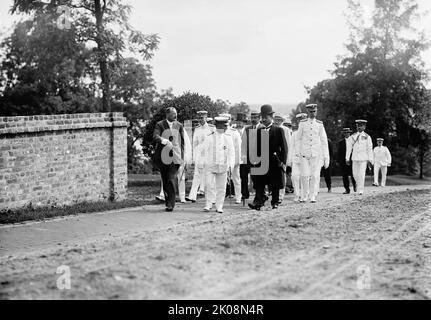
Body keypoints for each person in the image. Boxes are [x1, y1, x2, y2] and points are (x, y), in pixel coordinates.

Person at [248, 105, 288, 210]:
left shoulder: (278, 130)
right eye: (263, 117)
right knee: (259, 183)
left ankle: (275, 202)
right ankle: (259, 202)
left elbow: (284, 147)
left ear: (271, 117)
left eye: (266, 117)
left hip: (274, 161)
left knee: (274, 183)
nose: (264, 119)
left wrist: (283, 161)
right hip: (262, 161)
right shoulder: (258, 131)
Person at [153, 107, 185, 212]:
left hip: (175, 158)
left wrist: (182, 157)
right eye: (173, 114)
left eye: (176, 114)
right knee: (165, 180)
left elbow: (182, 142)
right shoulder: (160, 124)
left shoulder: (179, 125)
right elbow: (155, 136)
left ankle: (171, 203)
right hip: (163, 157)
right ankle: (168, 202)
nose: (175, 116)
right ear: (167, 115)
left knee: (171, 179)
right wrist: (164, 140)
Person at [297, 104, 329, 203]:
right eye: (311, 111)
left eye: (314, 111)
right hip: (304, 153)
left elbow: (324, 141)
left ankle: (312, 196)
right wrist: (298, 152)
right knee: (305, 175)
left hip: (316, 153)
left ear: (316, 111)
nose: (313, 113)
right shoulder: (302, 123)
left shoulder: (319, 124)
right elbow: (298, 138)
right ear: (308, 112)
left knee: (315, 176)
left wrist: (326, 156)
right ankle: (305, 195)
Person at [202, 117, 235, 213]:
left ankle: (219, 206)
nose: (225, 128)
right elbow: (204, 151)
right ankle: (208, 204)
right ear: (217, 126)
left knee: (221, 187)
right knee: (209, 185)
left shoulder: (228, 138)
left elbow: (231, 153)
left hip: (223, 166)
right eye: (224, 126)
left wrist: (230, 166)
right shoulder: (209, 137)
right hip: (210, 165)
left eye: (226, 126)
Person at [156, 128, 192, 203]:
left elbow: (186, 146)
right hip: (168, 157)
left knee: (181, 177)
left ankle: (182, 197)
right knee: (166, 177)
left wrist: (186, 158)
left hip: (179, 157)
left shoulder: (181, 130)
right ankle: (163, 195)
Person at [186, 111, 215, 203]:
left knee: (210, 178)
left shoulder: (211, 128)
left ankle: (212, 198)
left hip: (209, 156)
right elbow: (195, 143)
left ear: (206, 118)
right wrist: (194, 157)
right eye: (199, 118)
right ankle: (192, 196)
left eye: (202, 117)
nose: (201, 119)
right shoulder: (197, 129)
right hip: (199, 156)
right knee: (197, 176)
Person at [346, 120, 374, 195]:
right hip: (355, 158)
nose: (359, 127)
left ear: (364, 127)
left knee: (361, 174)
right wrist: (347, 157)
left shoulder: (367, 137)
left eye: (361, 126)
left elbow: (369, 149)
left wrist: (370, 159)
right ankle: (359, 185)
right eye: (358, 126)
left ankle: (360, 189)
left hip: (363, 158)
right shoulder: (353, 136)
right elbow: (349, 148)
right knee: (355, 174)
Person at [240, 111, 263, 201]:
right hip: (248, 158)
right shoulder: (247, 129)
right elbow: (244, 143)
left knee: (258, 178)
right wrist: (243, 155)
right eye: (252, 118)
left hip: (259, 158)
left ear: (259, 118)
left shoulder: (262, 128)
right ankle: (245, 194)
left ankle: (259, 196)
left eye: (255, 118)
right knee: (244, 176)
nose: (253, 119)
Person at [220, 113, 242, 204]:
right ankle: (220, 198)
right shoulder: (218, 131)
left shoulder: (234, 132)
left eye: (227, 119)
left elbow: (238, 148)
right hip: (222, 160)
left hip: (233, 160)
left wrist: (236, 161)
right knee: (221, 180)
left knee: (236, 179)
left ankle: (238, 197)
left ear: (229, 120)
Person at [288, 113, 308, 202]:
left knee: (304, 177)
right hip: (296, 158)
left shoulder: (308, 134)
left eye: (303, 120)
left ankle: (305, 195)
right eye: (300, 120)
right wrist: (289, 160)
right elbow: (291, 147)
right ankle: (297, 195)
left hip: (305, 159)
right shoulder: (295, 134)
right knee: (294, 177)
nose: (301, 122)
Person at [274, 114, 291, 203]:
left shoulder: (286, 130)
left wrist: (286, 159)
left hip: (281, 156)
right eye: (275, 119)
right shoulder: (272, 128)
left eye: (279, 119)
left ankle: (281, 195)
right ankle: (275, 195)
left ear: (282, 121)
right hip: (273, 156)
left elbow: (288, 144)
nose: (277, 121)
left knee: (282, 176)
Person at [337, 128, 356, 194]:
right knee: (345, 176)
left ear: (349, 133)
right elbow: (339, 152)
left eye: (347, 132)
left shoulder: (354, 141)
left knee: (353, 174)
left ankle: (355, 185)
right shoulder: (341, 142)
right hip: (343, 161)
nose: (346, 134)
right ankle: (347, 189)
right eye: (345, 133)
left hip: (352, 160)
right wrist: (338, 161)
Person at [282, 118, 294, 194]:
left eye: (288, 125)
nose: (287, 127)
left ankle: (290, 186)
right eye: (286, 125)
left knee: (290, 172)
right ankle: (286, 186)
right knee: (285, 171)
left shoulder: (292, 134)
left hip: (291, 154)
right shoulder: (283, 132)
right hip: (285, 153)